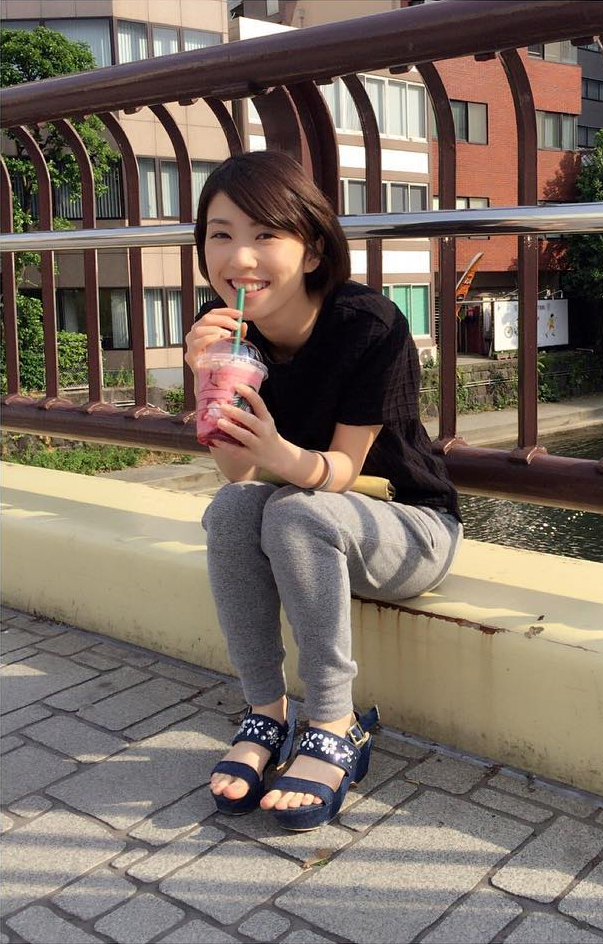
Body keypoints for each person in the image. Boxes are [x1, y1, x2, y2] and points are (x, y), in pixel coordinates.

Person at [184, 151, 462, 832]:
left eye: (265, 235)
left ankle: (335, 722)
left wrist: (277, 452)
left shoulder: (369, 325)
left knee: (295, 513)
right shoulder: (223, 329)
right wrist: (207, 379)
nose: (240, 258)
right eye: (221, 235)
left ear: (311, 250)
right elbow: (238, 478)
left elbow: (342, 468)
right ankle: (265, 712)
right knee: (234, 509)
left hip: (407, 525)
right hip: (303, 525)